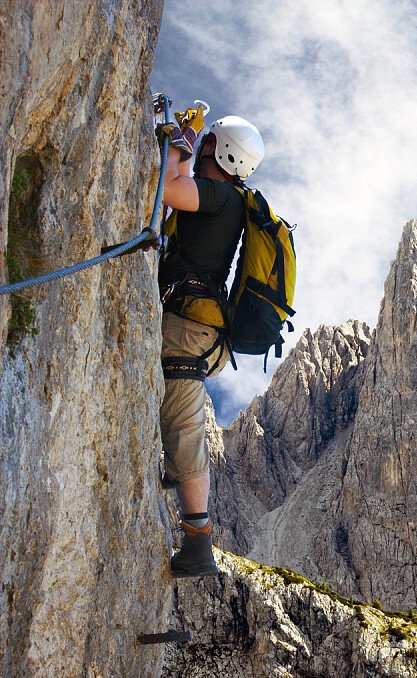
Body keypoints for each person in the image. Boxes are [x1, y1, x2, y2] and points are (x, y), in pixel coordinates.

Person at [157, 113, 264, 577]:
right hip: (198, 326)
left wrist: (179, 141)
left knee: (184, 424)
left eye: (207, 141)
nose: (202, 145)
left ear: (217, 149)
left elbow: (168, 189)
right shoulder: (227, 198)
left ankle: (199, 541)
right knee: (178, 418)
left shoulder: (222, 197)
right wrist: (184, 145)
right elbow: (181, 184)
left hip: (188, 329)